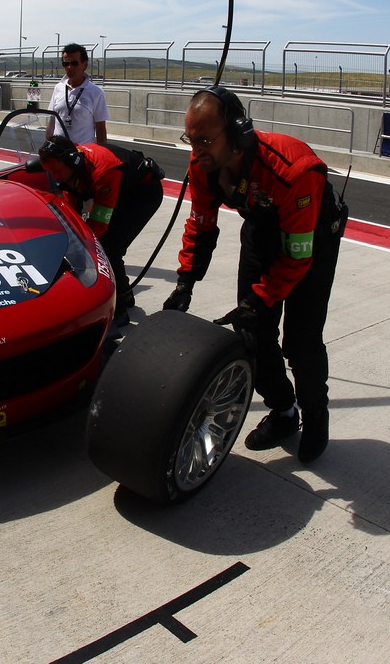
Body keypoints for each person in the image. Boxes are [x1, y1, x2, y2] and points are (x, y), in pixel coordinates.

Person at [162, 86, 348, 463]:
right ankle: (283, 411)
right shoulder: (203, 165)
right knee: (251, 332)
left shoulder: (293, 173)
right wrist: (186, 280)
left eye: (204, 140)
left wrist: (260, 297)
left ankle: (315, 415)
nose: (195, 150)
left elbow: (297, 259)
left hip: (311, 237)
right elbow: (201, 223)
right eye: (190, 139)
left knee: (301, 341)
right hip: (262, 229)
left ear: (238, 133)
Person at [37, 135, 164, 324]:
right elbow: (72, 214)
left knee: (109, 248)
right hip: (121, 189)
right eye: (49, 172)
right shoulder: (71, 167)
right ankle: (126, 295)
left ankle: (120, 309)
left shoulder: (103, 171)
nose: (54, 177)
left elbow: (98, 226)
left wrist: (81, 248)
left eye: (55, 170)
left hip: (142, 194)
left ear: (72, 161)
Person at [45, 43, 108, 144]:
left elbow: (100, 129)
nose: (70, 67)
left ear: (85, 65)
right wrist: (47, 146)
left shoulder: (96, 92)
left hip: (83, 154)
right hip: (59, 154)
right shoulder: (58, 88)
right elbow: (52, 120)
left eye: (74, 63)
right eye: (66, 64)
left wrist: (102, 156)